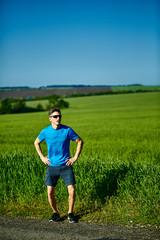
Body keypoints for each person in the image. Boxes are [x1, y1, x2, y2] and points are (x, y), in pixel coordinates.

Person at [34, 108, 83, 223]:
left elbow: (79, 142)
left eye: (59, 116)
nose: (58, 118)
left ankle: (70, 213)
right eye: (55, 116)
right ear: (50, 118)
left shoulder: (67, 130)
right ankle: (55, 213)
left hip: (66, 166)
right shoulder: (45, 132)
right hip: (51, 166)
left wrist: (75, 157)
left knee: (72, 191)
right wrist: (42, 157)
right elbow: (36, 142)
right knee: (50, 191)